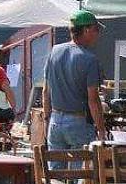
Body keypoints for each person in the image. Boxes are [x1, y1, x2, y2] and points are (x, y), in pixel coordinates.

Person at [43, 10, 106, 154]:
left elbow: (46, 92)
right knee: (82, 173)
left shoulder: (54, 51)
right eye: (96, 29)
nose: (98, 34)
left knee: (55, 173)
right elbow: (93, 100)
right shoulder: (89, 59)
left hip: (55, 120)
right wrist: (101, 130)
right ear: (86, 30)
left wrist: (47, 121)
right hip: (78, 122)